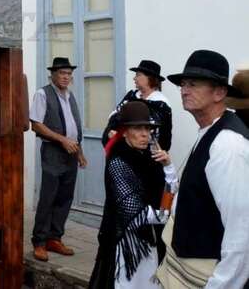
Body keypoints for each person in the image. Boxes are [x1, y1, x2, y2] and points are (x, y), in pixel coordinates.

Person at [156, 50, 249, 288]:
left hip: (207, 277)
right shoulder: (210, 131)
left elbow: (242, 233)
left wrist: (221, 285)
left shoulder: (228, 144)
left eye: (193, 84)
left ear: (219, 92)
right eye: (183, 84)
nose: (184, 90)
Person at [89, 102, 177, 288]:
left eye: (148, 128)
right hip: (127, 247)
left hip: (150, 242)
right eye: (138, 128)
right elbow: (136, 212)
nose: (145, 134)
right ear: (124, 132)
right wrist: (166, 214)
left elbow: (170, 189)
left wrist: (168, 166)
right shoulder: (118, 162)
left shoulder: (150, 158)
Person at [29, 57, 86, 262]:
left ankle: (54, 238)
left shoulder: (70, 96)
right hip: (53, 152)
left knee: (64, 198)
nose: (66, 77)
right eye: (62, 73)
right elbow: (36, 124)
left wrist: (79, 153)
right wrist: (62, 140)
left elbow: (73, 127)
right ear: (52, 75)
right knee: (49, 197)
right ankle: (39, 242)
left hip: (71, 153)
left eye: (69, 74)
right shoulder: (42, 94)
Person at [102, 60, 172, 151]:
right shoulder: (131, 96)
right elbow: (114, 116)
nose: (134, 78)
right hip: (121, 150)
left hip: (147, 154)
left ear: (150, 78)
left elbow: (163, 135)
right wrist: (111, 132)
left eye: (138, 75)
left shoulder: (161, 104)